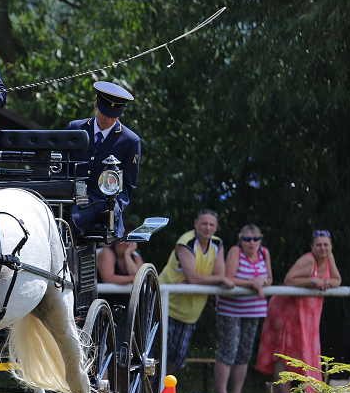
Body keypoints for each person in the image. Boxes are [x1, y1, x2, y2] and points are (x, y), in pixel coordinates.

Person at [255, 230, 342, 393]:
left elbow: (337, 280)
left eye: (325, 245)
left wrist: (324, 282)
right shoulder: (308, 260)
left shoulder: (329, 258)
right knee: (283, 352)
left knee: (307, 349)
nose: (322, 248)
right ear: (312, 246)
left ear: (331, 247)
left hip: (307, 313)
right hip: (286, 310)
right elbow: (289, 279)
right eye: (318, 245)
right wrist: (313, 281)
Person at [62, 81, 140, 237]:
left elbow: (128, 185)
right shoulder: (76, 128)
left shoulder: (130, 140)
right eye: (105, 113)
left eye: (114, 115)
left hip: (101, 203)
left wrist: (115, 208)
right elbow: (63, 168)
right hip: (70, 197)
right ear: (96, 106)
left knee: (68, 222)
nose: (109, 119)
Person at [159, 210, 234, 372]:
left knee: (177, 357)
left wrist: (204, 278)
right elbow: (196, 278)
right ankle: (148, 392)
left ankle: (162, 390)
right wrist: (217, 279)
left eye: (211, 224)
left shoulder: (217, 244)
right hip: (165, 306)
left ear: (216, 227)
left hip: (190, 313)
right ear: (196, 224)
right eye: (204, 223)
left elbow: (216, 274)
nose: (207, 227)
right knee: (156, 354)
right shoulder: (185, 242)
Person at [214, 225, 273, 393]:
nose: (252, 242)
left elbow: (269, 279)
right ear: (241, 240)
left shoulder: (264, 253)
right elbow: (230, 278)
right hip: (230, 309)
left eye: (255, 239)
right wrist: (252, 283)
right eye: (247, 239)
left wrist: (261, 282)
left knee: (245, 352)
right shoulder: (235, 251)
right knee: (228, 349)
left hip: (253, 310)